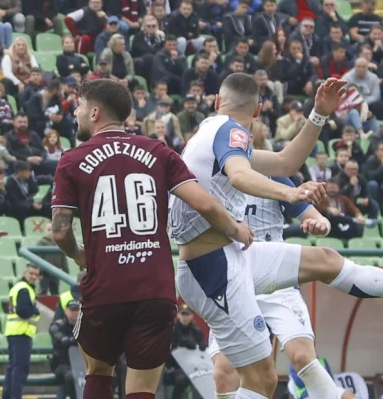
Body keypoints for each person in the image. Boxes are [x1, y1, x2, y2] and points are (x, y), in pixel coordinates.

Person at [172, 74, 383, 399]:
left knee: (325, 260)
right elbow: (240, 175)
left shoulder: (213, 133)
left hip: (228, 258)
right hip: (211, 270)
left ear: (217, 101)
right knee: (259, 380)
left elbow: (284, 163)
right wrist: (290, 194)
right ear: (258, 110)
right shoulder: (229, 131)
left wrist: (318, 115)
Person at [49, 77, 250, 399]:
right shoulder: (158, 151)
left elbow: (60, 231)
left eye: (80, 107)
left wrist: (78, 254)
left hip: (106, 287)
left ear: (95, 113)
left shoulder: (72, 160)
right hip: (155, 290)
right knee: (143, 389)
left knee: (98, 373)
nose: (76, 113)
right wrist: (236, 228)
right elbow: (205, 204)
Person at [210, 174, 340, 399]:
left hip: (276, 279)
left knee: (302, 357)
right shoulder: (213, 176)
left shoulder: (275, 177)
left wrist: (321, 225)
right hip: (233, 281)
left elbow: (320, 220)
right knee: (224, 373)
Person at [3, 264, 41, 399]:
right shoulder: (25, 289)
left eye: (36, 274)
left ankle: (8, 396)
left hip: (14, 332)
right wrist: (35, 310)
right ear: (24, 273)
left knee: (12, 368)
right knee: (20, 369)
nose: (34, 277)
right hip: (21, 332)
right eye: (31, 273)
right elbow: (22, 311)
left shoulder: (18, 287)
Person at [49, 298, 80, 399]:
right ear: (66, 311)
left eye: (77, 310)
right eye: (72, 310)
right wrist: (75, 340)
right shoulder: (57, 326)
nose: (75, 313)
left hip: (81, 365)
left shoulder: (85, 326)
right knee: (71, 377)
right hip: (62, 364)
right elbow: (61, 339)